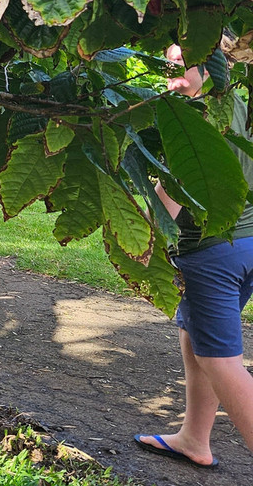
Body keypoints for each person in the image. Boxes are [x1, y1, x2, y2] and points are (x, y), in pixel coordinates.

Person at [134, 44, 253, 469]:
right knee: (195, 339)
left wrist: (140, 246)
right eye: (168, 66)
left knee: (220, 359)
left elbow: (171, 192)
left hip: (211, 253)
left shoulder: (193, 117)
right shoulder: (236, 103)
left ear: (212, 67)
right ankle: (194, 439)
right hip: (246, 244)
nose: (171, 76)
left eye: (180, 67)